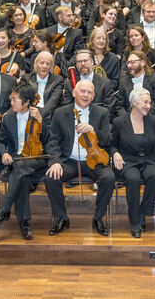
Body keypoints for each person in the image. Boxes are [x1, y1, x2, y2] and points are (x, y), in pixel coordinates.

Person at [43, 80, 116, 236]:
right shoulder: (60, 113)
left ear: (93, 96)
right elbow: (53, 141)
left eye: (90, 92)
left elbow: (107, 140)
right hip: (69, 160)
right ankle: (62, 218)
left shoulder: (101, 112)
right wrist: (55, 162)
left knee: (109, 178)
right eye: (82, 91)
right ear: (74, 93)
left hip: (94, 161)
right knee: (51, 178)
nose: (86, 95)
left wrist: (93, 130)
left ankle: (98, 218)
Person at [0, 79, 48, 240]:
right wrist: (3, 153)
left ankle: (6, 209)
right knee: (22, 176)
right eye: (11, 98)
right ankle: (24, 224)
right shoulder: (8, 117)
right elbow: (0, 141)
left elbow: (51, 140)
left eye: (15, 99)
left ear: (28, 101)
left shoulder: (41, 113)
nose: (11, 102)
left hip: (38, 158)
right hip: (17, 159)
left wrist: (41, 121)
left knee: (20, 169)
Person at [111, 88, 155, 238]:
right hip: (127, 160)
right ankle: (134, 221)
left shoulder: (153, 121)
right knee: (133, 179)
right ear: (134, 102)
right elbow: (111, 144)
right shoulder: (119, 121)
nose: (148, 105)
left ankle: (142, 213)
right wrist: (115, 153)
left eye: (150, 102)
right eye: (145, 102)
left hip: (149, 159)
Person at [116, 50, 155, 118]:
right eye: (128, 63)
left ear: (143, 63)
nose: (129, 65)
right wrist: (129, 119)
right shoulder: (124, 81)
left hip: (152, 118)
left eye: (132, 62)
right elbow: (120, 106)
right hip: (130, 120)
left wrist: (142, 118)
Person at [21, 51, 64, 120]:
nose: (44, 66)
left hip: (49, 117)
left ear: (51, 67)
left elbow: (53, 103)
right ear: (35, 64)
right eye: (42, 63)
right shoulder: (26, 79)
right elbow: (24, 100)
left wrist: (39, 116)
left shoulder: (58, 80)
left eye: (48, 64)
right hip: (29, 114)